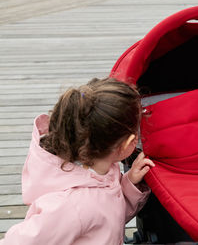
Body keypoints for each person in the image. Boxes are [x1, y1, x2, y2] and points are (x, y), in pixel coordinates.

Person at [0, 77, 155, 245]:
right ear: (128, 143)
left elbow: (105, 215)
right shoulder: (71, 205)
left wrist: (129, 183)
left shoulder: (104, 172)